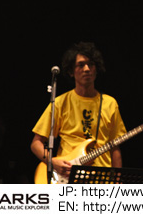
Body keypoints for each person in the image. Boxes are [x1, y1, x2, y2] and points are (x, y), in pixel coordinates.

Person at [31, 42, 127, 182]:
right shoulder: (60, 102)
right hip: (68, 178)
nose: (87, 69)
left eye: (91, 64)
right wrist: (53, 162)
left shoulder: (110, 103)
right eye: (81, 65)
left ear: (96, 69)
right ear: (71, 71)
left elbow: (115, 148)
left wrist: (117, 182)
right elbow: (36, 143)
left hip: (102, 181)